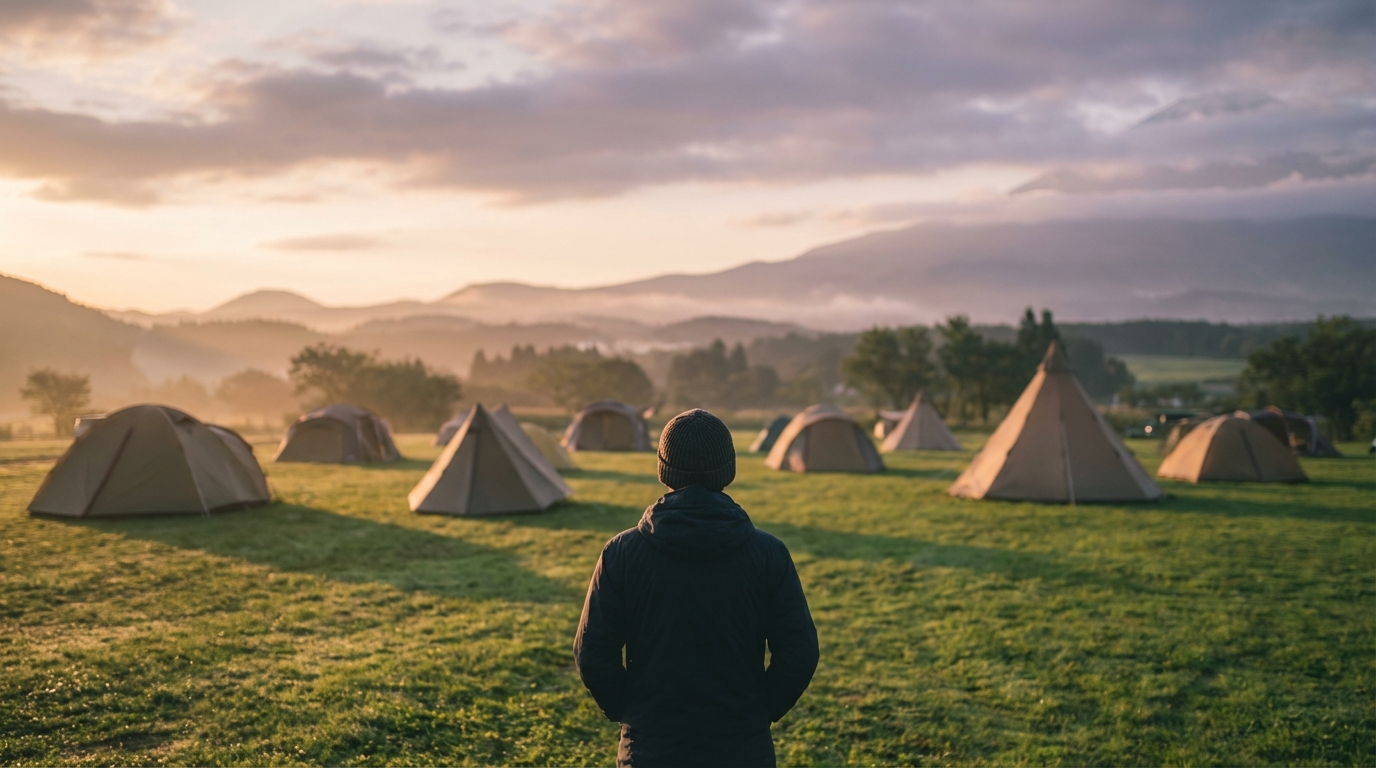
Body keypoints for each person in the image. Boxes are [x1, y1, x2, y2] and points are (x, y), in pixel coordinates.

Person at [574, 409, 819, 767]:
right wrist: (758, 711)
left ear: (664, 468)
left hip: (650, 748)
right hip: (742, 748)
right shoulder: (768, 554)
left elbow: (592, 653)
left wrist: (632, 711)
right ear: (727, 469)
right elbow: (799, 653)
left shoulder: (622, 554)